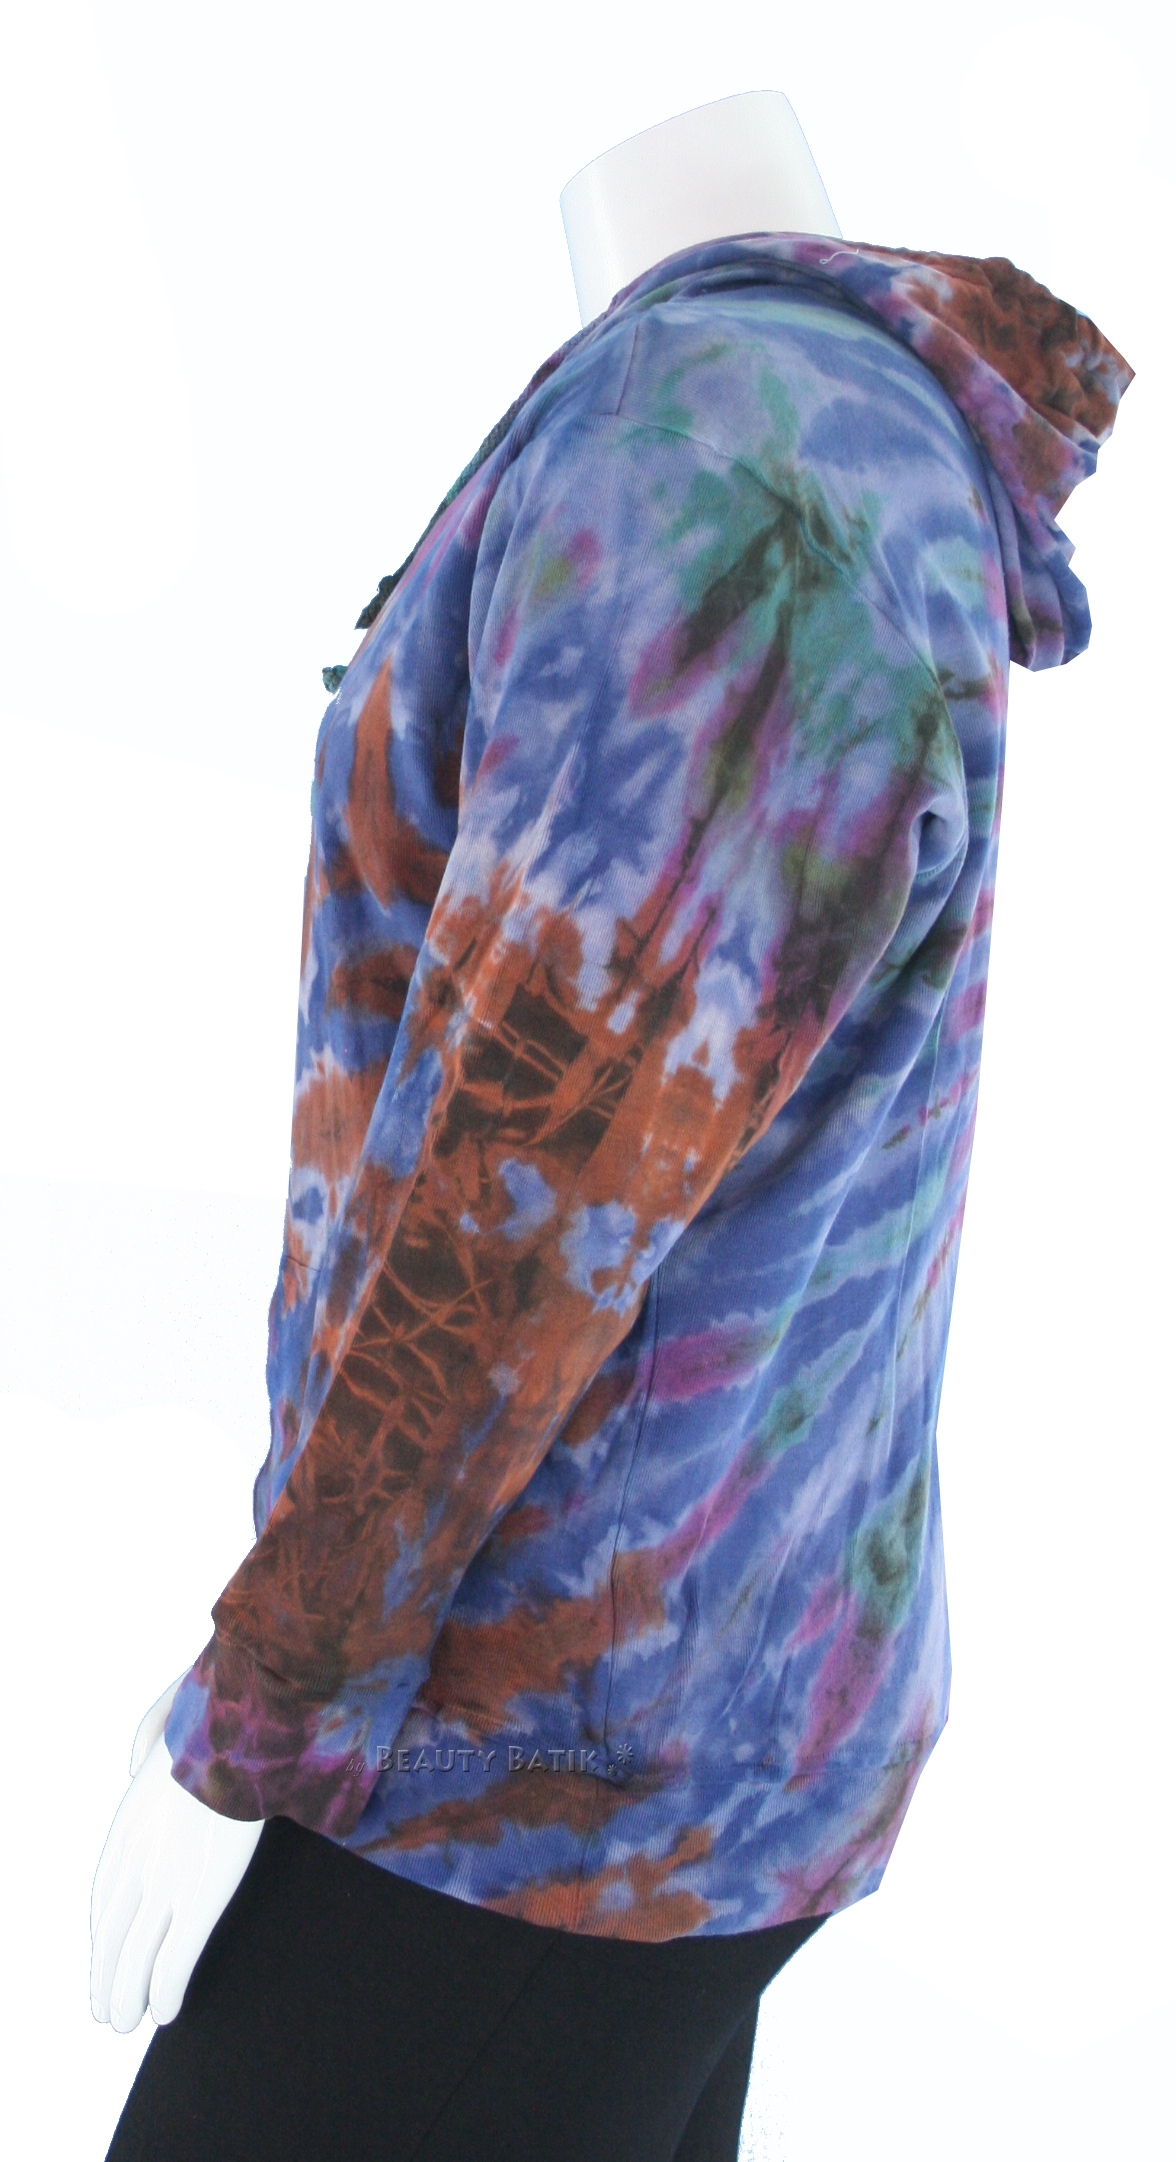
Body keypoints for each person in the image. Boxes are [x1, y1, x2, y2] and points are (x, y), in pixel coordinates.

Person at [91, 88, 1132, 2162]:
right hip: (652, 1720)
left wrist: (255, 1709)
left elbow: (532, 1187)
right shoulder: (808, 441)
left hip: (525, 1777)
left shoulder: (718, 473)